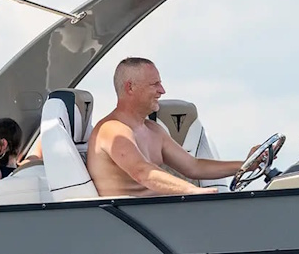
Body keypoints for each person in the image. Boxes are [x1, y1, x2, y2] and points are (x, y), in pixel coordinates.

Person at [86, 57, 246, 197]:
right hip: (124, 218)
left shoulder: (153, 130)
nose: (162, 91)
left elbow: (193, 166)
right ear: (130, 88)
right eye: (154, 84)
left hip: (159, 215)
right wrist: (191, 191)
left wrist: (245, 165)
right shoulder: (112, 130)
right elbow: (142, 172)